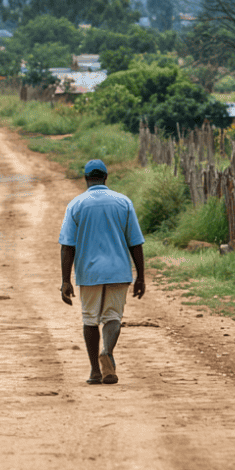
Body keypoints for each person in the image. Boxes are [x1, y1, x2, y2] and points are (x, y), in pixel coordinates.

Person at [59, 158, 146, 385]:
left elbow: (67, 246)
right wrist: (141, 277)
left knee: (90, 320)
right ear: (106, 178)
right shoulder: (123, 202)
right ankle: (107, 350)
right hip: (119, 271)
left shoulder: (76, 205)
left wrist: (65, 280)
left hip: (89, 273)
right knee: (113, 317)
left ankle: (95, 371)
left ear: (86, 179)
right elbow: (135, 243)